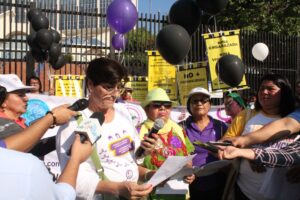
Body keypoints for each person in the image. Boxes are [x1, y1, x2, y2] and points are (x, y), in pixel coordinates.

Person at [56, 58, 153, 200]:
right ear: (90, 85)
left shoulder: (123, 113)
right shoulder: (73, 123)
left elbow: (130, 160)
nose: (114, 94)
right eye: (108, 87)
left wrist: (145, 156)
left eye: (118, 87)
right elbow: (73, 181)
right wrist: (117, 189)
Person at [221, 74, 297, 200]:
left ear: (284, 92)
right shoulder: (245, 115)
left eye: (270, 89)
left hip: (283, 192)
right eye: (261, 88)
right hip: (246, 191)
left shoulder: (294, 118)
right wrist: (249, 154)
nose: (264, 92)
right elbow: (226, 142)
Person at [139, 87, 195, 199]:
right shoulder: (137, 132)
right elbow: (131, 165)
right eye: (157, 105)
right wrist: (150, 174)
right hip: (151, 194)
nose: (163, 108)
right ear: (146, 109)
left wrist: (189, 173)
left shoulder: (178, 130)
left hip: (179, 193)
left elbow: (188, 158)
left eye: (167, 105)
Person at [0, 134, 93, 200]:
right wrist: (75, 158)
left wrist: (51, 118)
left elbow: (5, 146)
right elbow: (64, 196)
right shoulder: (29, 168)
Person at [181, 87, 228, 200]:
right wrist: (187, 169)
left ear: (210, 104)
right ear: (189, 105)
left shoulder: (221, 126)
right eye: (195, 101)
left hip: (217, 182)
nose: (199, 103)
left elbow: (228, 151)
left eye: (203, 100)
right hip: (190, 184)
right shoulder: (181, 127)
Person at [0, 74, 34, 138]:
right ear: (3, 101)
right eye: (20, 95)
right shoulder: (4, 126)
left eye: (25, 94)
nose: (26, 99)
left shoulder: (20, 122)